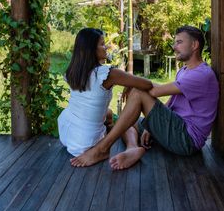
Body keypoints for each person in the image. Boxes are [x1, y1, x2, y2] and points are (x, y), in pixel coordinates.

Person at [70, 26, 219, 169]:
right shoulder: (186, 70)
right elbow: (171, 101)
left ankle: (101, 149)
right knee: (128, 120)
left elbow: (154, 91)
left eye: (179, 42)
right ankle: (132, 148)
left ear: (194, 45)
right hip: (176, 127)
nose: (174, 46)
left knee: (138, 93)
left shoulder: (201, 75)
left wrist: (132, 83)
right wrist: (151, 125)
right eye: (175, 42)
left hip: (186, 139)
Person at [58, 27, 153, 158]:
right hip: (87, 142)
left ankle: (129, 146)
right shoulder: (107, 73)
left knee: (109, 114)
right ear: (91, 49)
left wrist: (128, 83)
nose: (106, 47)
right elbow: (147, 84)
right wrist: (130, 83)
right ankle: (117, 148)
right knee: (124, 120)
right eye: (102, 44)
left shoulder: (72, 72)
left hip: (67, 134)